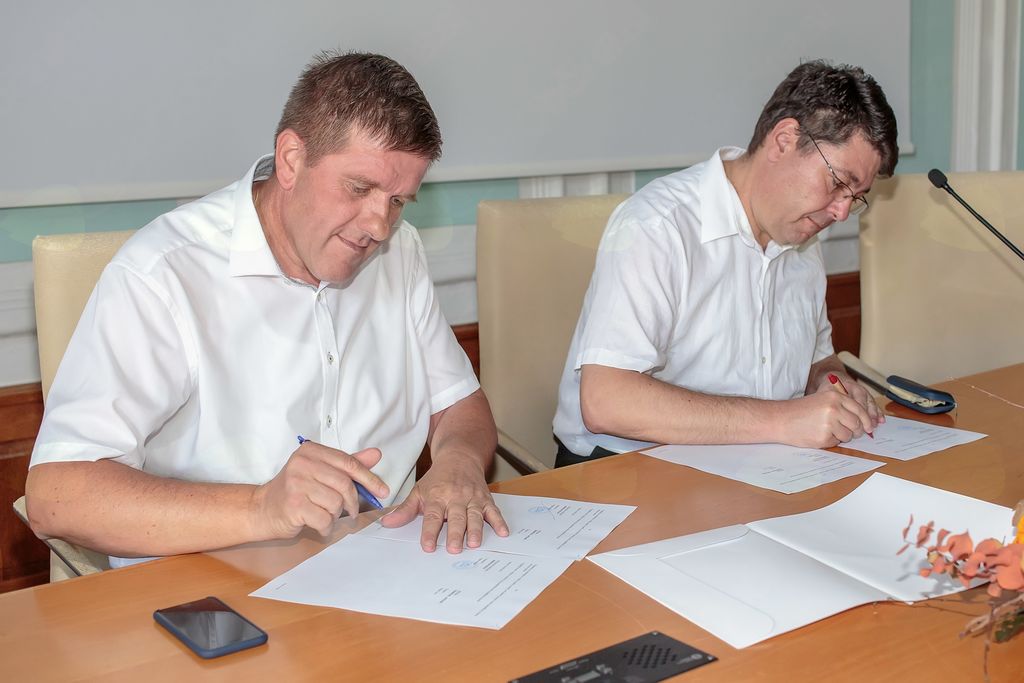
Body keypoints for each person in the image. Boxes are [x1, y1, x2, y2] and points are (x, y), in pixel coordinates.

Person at [26, 51, 508, 562]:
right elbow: (57, 496)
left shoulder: (400, 251)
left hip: (389, 564)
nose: (378, 226)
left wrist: (458, 461)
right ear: (291, 159)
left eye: (397, 201)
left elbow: (458, 404)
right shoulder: (164, 274)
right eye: (359, 188)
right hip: (212, 582)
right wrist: (261, 507)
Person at [552, 60, 898, 467]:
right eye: (838, 183)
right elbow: (606, 401)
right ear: (784, 140)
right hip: (625, 471)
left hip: (756, 468)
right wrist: (782, 420)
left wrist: (831, 383)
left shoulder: (803, 239)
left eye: (854, 198)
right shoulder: (658, 226)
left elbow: (817, 359)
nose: (840, 213)